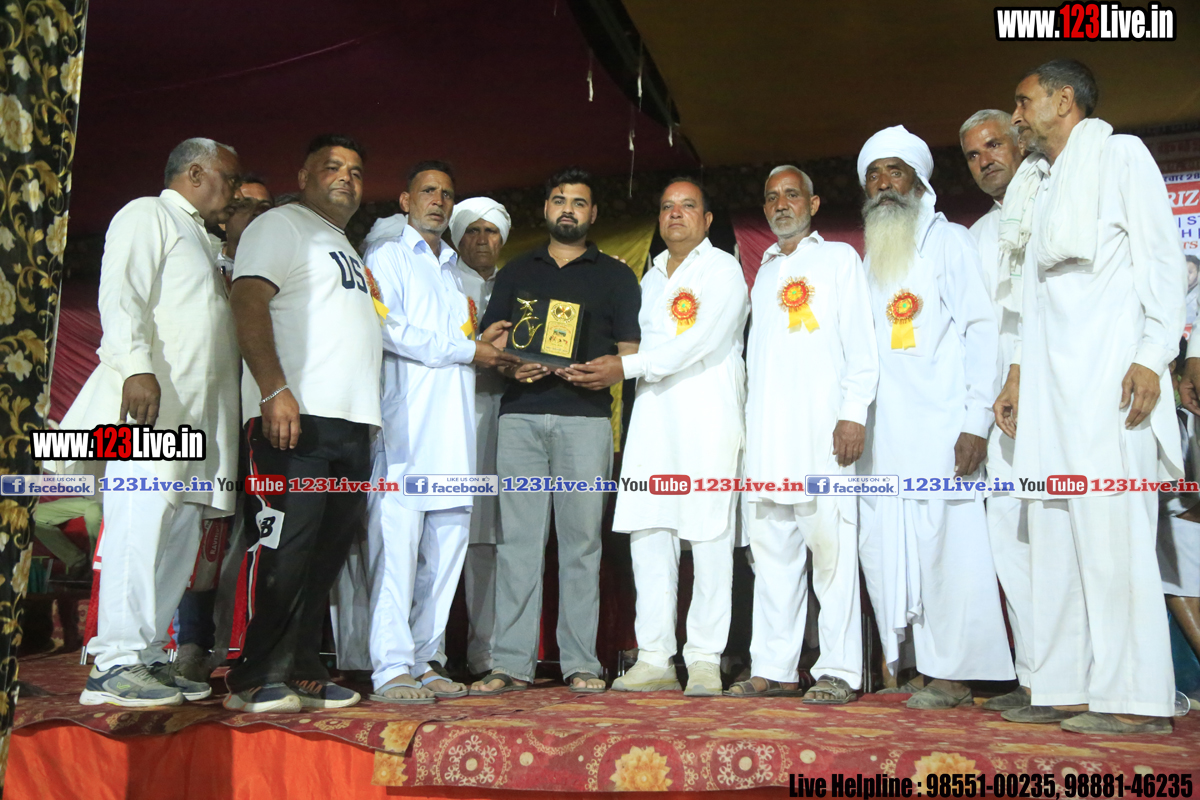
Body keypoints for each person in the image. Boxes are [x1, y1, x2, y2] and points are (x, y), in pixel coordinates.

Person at [997, 59, 1185, 733]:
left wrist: (1153, 356)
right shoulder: (1038, 183)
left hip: (1112, 383)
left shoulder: (1120, 155)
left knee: (1112, 541)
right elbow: (1031, 296)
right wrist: (1018, 373)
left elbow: (1163, 261)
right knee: (1053, 536)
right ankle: (1067, 688)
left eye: (1024, 102)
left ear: (1064, 100)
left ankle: (1136, 701)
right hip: (1051, 392)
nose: (1016, 116)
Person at [62, 137, 242, 707]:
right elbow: (122, 297)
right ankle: (113, 662)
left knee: (178, 538)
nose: (235, 192)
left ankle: (145, 656)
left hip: (198, 421)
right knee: (138, 529)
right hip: (146, 410)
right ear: (196, 173)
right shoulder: (148, 214)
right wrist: (136, 368)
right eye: (230, 179)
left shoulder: (204, 240)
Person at [855, 125, 1014, 709]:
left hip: (945, 429)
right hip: (886, 438)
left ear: (919, 181)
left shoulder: (949, 242)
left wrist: (976, 422)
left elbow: (981, 331)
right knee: (899, 549)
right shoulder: (873, 254)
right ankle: (921, 663)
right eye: (874, 174)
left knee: (950, 548)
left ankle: (957, 672)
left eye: (895, 171)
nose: (883, 183)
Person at [224, 134, 381, 713]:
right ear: (304, 176)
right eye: (333, 167)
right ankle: (250, 676)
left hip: (351, 424)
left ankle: (302, 668)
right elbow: (247, 301)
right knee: (282, 549)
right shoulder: (280, 225)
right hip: (294, 419)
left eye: (356, 171)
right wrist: (273, 389)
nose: (347, 177)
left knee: (323, 556)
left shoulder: (344, 245)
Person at [472, 167, 641, 695]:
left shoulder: (616, 277)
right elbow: (491, 345)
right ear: (546, 209)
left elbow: (631, 353)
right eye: (559, 200)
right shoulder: (516, 271)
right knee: (517, 544)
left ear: (593, 214)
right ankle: (510, 663)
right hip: (520, 419)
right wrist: (509, 365)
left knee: (581, 545)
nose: (568, 209)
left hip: (586, 423)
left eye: (579, 202)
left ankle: (581, 662)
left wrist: (610, 370)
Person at [360, 163, 517, 704]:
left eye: (448, 194)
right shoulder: (386, 257)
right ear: (405, 200)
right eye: (428, 191)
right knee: (396, 554)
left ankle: (424, 659)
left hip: (454, 431)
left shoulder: (451, 270)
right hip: (406, 430)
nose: (439, 201)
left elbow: (459, 344)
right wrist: (469, 349)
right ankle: (390, 667)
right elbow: (388, 330)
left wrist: (483, 343)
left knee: (446, 552)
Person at [727, 166, 876, 703]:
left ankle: (838, 670)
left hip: (823, 436)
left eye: (792, 195)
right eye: (772, 197)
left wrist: (853, 413)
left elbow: (862, 346)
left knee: (832, 556)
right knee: (772, 558)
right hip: (769, 439)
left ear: (813, 204)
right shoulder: (764, 272)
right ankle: (776, 667)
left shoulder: (839, 259)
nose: (781, 204)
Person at [606, 178, 749, 697]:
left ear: (707, 220)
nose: (675, 214)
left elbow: (700, 342)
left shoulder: (723, 270)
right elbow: (632, 342)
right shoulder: (648, 278)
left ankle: (705, 658)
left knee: (708, 537)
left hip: (707, 420)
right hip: (653, 420)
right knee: (649, 533)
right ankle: (654, 657)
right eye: (667, 206)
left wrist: (627, 367)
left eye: (688, 206)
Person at [959, 109, 1034, 713]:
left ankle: (1091, 679)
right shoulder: (977, 235)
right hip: (1000, 412)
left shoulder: (1051, 200)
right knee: (1009, 541)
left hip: (1057, 393)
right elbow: (980, 333)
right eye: (973, 154)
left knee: (1066, 540)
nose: (986, 160)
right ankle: (1038, 678)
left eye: (994, 145)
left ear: (1019, 143)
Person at [449, 196, 513, 677]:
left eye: (491, 231)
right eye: (472, 230)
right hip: (450, 418)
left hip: (502, 420)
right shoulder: (441, 282)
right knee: (440, 532)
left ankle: (485, 653)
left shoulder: (517, 287)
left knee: (487, 540)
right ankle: (425, 654)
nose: (482, 240)